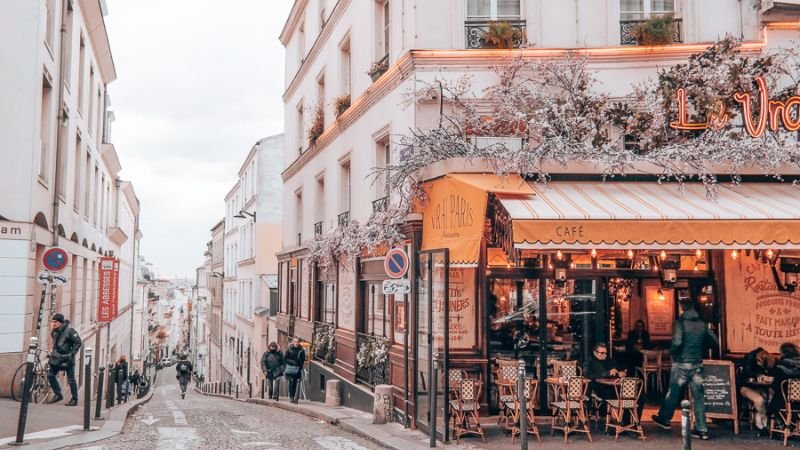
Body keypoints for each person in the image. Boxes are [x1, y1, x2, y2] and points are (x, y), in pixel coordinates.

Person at [652, 298, 718, 441]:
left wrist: (671, 352)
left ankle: (664, 418)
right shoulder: (702, 324)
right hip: (697, 364)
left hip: (681, 363)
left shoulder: (680, 323)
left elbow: (677, 341)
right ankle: (702, 430)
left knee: (673, 393)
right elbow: (715, 341)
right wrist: (701, 347)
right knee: (699, 397)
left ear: (682, 308)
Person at [46, 313, 82, 406]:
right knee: (50, 375)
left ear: (61, 322)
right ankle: (58, 394)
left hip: (67, 358)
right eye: (53, 322)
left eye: (56, 322)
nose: (54, 324)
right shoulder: (54, 331)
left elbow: (78, 342)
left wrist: (71, 354)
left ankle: (74, 399)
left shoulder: (70, 331)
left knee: (71, 379)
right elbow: (54, 343)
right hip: (56, 358)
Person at [737, 347, 775, 432]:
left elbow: (770, 372)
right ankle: (763, 419)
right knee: (759, 400)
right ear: (759, 361)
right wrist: (757, 375)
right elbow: (745, 375)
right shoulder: (749, 361)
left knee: (771, 397)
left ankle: (761, 417)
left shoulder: (768, 359)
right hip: (745, 387)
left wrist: (768, 377)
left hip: (761, 388)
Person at [767, 343, 800, 427]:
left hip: (782, 403)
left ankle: (779, 425)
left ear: (783, 353)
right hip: (798, 404)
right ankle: (794, 426)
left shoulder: (780, 367)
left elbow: (774, 387)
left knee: (770, 399)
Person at [284, 338, 306, 404]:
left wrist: (300, 366)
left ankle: (294, 396)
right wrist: (292, 362)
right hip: (290, 368)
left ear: (299, 343)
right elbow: (285, 358)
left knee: (295, 383)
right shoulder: (289, 349)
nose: (296, 343)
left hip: (297, 369)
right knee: (291, 381)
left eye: (297, 342)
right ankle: (291, 396)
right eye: (295, 341)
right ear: (293, 342)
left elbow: (303, 359)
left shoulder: (301, 350)